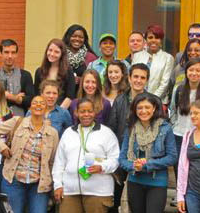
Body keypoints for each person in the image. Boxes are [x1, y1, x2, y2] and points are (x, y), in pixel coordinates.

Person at [0, 95, 59, 213]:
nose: (38, 105)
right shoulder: (18, 122)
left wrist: (52, 185)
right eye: (35, 102)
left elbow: (52, 162)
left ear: (46, 109)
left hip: (39, 185)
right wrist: (2, 148)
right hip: (14, 181)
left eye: (42, 103)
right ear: (30, 107)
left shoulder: (52, 133)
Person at [52, 98, 120, 213]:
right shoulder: (68, 133)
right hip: (70, 191)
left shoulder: (106, 133)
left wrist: (102, 167)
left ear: (95, 112)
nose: (86, 114)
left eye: (90, 111)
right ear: (76, 113)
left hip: (98, 191)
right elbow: (59, 162)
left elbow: (116, 159)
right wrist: (58, 185)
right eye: (82, 111)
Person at [119, 92, 177, 213]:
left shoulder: (165, 128)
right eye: (140, 108)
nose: (143, 111)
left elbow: (172, 157)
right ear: (135, 109)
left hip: (157, 182)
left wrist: (147, 164)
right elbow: (122, 159)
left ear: (154, 108)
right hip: (135, 181)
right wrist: (134, 166)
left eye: (147, 107)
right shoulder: (130, 128)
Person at [107, 63, 150, 213]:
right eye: (135, 77)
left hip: (144, 157)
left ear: (147, 80)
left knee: (139, 201)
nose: (138, 80)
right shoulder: (120, 100)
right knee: (119, 199)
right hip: (122, 155)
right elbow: (112, 128)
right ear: (130, 79)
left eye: (142, 78)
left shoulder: (152, 101)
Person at [170, 58, 200, 177]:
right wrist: (175, 125)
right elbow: (173, 111)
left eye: (198, 70)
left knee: (196, 171)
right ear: (186, 72)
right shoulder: (178, 90)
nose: (194, 73)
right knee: (179, 171)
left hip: (199, 137)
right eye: (191, 70)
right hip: (179, 136)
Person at [0, 39, 34, 116]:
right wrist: (18, 98)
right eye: (6, 52)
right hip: (0, 121)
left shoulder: (26, 75)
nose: (10, 56)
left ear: (16, 54)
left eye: (13, 53)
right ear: (0, 53)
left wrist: (8, 96)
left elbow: (30, 101)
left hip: (21, 122)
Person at [132, 25, 174, 104]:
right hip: (136, 101)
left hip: (158, 102)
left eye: (157, 38)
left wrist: (150, 100)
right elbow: (133, 78)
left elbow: (164, 84)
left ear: (161, 40)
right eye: (150, 37)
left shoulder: (168, 58)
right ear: (146, 39)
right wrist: (138, 98)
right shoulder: (137, 56)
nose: (153, 40)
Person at [34, 38, 76, 109]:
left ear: (62, 54)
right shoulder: (39, 71)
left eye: (56, 52)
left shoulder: (68, 71)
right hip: (42, 111)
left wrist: (58, 112)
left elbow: (70, 96)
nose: (52, 54)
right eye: (50, 50)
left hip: (61, 110)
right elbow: (37, 94)